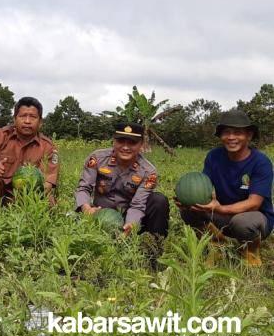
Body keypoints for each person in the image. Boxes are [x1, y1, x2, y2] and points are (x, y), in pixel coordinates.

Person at [177, 110, 273, 266]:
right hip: (223, 215)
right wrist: (189, 200)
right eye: (226, 132)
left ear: (249, 135)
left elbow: (254, 203)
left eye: (237, 133)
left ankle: (251, 250)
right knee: (189, 211)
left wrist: (220, 208)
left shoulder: (261, 162)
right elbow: (204, 186)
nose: (231, 137)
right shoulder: (214, 156)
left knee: (242, 222)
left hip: (254, 218)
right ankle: (216, 245)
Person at [75, 123, 169, 240]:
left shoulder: (148, 171)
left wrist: (130, 224)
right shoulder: (97, 158)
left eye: (132, 142)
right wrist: (86, 209)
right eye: (121, 141)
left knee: (159, 200)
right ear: (114, 141)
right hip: (99, 213)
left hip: (130, 214)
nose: (125, 147)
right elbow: (84, 188)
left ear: (141, 145)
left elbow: (138, 205)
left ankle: (154, 245)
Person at [0, 96, 58, 206]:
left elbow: (48, 183)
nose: (27, 121)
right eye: (22, 116)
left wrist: (28, 197)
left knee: (49, 201)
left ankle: (25, 217)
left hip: (27, 195)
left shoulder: (48, 146)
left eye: (32, 117)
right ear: (14, 119)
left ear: (40, 122)